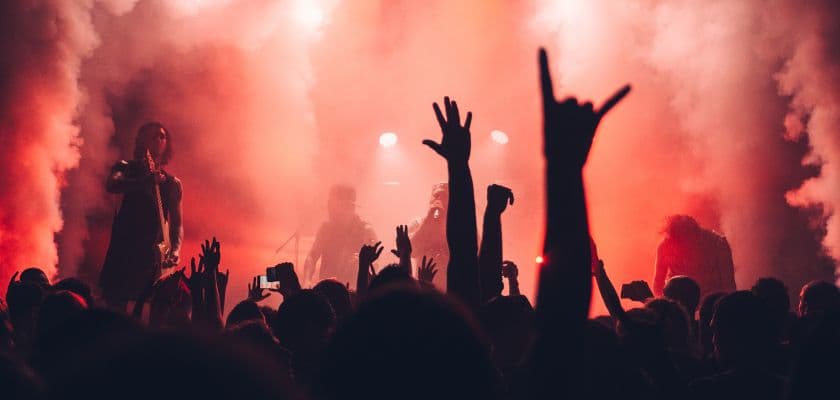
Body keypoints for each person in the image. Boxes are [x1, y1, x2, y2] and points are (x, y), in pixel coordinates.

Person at [99, 122, 183, 311]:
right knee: (115, 309)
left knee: (149, 310)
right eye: (153, 136)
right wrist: (145, 181)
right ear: (141, 140)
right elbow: (113, 185)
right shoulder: (125, 167)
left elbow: (176, 223)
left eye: (162, 136)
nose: (159, 139)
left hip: (152, 255)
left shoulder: (172, 183)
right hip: (124, 251)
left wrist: (175, 250)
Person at [303, 185, 377, 288]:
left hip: (354, 294)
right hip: (327, 294)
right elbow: (311, 256)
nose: (330, 210)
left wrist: (362, 263)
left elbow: (375, 266)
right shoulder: (326, 229)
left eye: (334, 206)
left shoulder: (365, 231)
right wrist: (306, 281)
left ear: (349, 207)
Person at [653, 215, 736, 297]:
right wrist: (663, 305)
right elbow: (658, 283)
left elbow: (728, 284)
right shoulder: (666, 245)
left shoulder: (718, 244)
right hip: (678, 301)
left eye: (683, 240)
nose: (680, 247)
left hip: (710, 301)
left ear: (695, 235)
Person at [407, 183, 449, 286]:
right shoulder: (417, 223)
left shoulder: (460, 226)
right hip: (423, 288)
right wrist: (428, 219)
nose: (439, 200)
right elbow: (410, 251)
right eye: (436, 196)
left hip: (451, 290)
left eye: (444, 197)